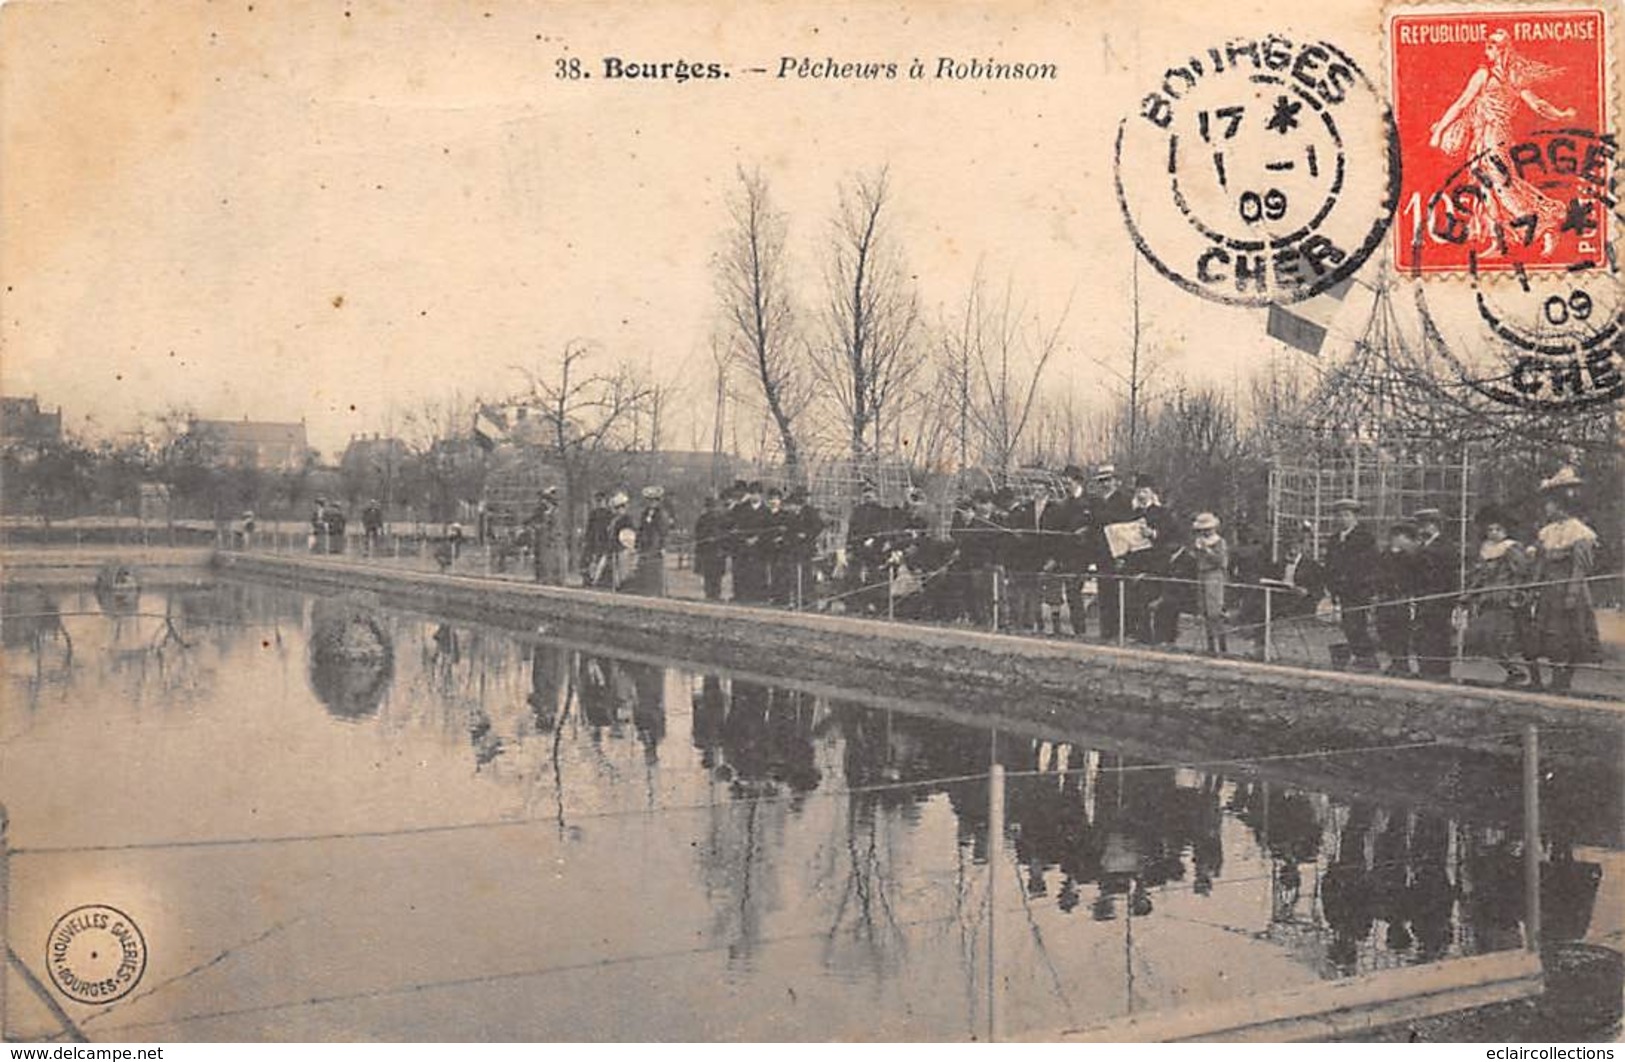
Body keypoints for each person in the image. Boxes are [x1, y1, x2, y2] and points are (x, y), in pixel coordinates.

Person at [1427, 28, 1577, 257]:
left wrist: (1439, 132)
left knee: (1502, 187)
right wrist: (1561, 114)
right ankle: (1499, 240)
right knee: (1485, 188)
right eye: (1488, 44)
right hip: (1485, 135)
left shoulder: (1486, 75)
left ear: (1501, 49)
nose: (1488, 48)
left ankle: (1544, 226)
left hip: (1493, 136)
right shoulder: (1512, 77)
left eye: (1492, 45)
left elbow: (1461, 103)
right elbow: (1538, 105)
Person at [1531, 469, 1600, 693]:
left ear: (1560, 505)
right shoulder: (1547, 532)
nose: (1545, 508)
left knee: (1572, 634)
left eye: (1549, 504)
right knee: (1549, 635)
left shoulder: (1580, 532)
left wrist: (1572, 594)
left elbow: (1581, 567)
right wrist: (1535, 585)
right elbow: (1541, 563)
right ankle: (1554, 675)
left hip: (1571, 589)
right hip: (1550, 591)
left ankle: (1565, 678)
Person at [1463, 505, 1537, 687]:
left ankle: (1520, 673)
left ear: (1506, 530)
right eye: (1490, 529)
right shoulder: (1485, 549)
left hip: (1505, 598)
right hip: (1487, 599)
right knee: (1479, 637)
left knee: (1499, 638)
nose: (1493, 533)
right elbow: (1478, 576)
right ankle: (1513, 670)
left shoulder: (1511, 548)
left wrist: (1517, 593)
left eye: (1498, 529)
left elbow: (1522, 573)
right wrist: (1470, 593)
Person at [1324, 498, 1378, 670]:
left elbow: (1367, 565)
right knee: (1348, 624)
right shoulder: (1334, 539)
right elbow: (1330, 564)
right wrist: (1331, 586)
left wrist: (1362, 585)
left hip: (1357, 589)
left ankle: (1367, 658)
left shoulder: (1365, 538)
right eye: (1339, 516)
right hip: (1340, 589)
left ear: (1355, 517)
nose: (1342, 519)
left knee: (1356, 623)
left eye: (1346, 515)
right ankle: (1359, 656)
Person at [1047, 465, 1097, 637]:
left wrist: (1086, 532)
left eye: (1068, 481)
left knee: (1075, 590)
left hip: (1084, 554)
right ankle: (1079, 630)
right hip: (1067, 554)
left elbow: (1097, 526)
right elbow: (1059, 532)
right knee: (1071, 591)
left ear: (1077, 481)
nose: (1066, 485)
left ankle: (1080, 629)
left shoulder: (1091, 502)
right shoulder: (1064, 505)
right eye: (1064, 481)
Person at [1411, 507, 1458, 680]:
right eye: (1421, 525)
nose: (1422, 529)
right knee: (1422, 634)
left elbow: (1448, 575)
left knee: (1437, 634)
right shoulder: (1422, 546)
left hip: (1439, 598)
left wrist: (1448, 598)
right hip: (1423, 597)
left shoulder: (1445, 546)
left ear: (1436, 526)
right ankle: (1425, 669)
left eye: (1427, 525)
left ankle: (1440, 671)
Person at [1375, 521, 1421, 677]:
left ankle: (1402, 663)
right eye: (1397, 536)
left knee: (1401, 631)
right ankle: (1394, 660)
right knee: (1384, 631)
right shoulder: (1383, 555)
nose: (1398, 539)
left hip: (1400, 599)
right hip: (1384, 599)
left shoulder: (1409, 557)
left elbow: (1413, 577)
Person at [1190, 512, 1229, 655]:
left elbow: (1220, 561)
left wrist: (1206, 550)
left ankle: (1222, 646)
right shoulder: (1199, 541)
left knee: (1215, 611)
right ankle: (1211, 646)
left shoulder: (1220, 542)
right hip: (1202, 573)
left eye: (1208, 529)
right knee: (1204, 610)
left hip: (1214, 574)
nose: (1205, 532)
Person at [630, 486, 670, 595]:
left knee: (654, 569)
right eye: (649, 500)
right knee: (643, 568)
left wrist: (662, 546)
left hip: (655, 545)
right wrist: (637, 543)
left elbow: (663, 532)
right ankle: (643, 590)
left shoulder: (662, 514)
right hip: (644, 545)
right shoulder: (645, 513)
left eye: (654, 500)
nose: (652, 503)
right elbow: (641, 528)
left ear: (658, 501)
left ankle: (655, 591)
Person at [693, 495, 728, 601]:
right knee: (707, 574)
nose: (712, 509)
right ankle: (709, 594)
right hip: (706, 551)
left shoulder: (722, 519)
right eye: (709, 507)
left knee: (717, 575)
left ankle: (716, 594)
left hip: (718, 551)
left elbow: (727, 533)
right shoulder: (702, 519)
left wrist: (718, 540)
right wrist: (706, 538)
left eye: (713, 507)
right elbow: (698, 534)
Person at [527, 487, 565, 585]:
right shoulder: (546, 512)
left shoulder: (553, 513)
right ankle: (546, 578)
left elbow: (553, 527)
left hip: (551, 539)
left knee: (552, 559)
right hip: (546, 538)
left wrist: (540, 527)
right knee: (545, 559)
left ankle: (553, 578)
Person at [582, 492, 612, 586]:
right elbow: (589, 527)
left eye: (601, 501)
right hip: (593, 540)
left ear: (605, 501)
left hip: (604, 540)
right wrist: (586, 539)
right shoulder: (593, 513)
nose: (599, 503)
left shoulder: (609, 514)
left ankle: (600, 579)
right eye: (597, 501)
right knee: (590, 559)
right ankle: (589, 578)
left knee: (602, 560)